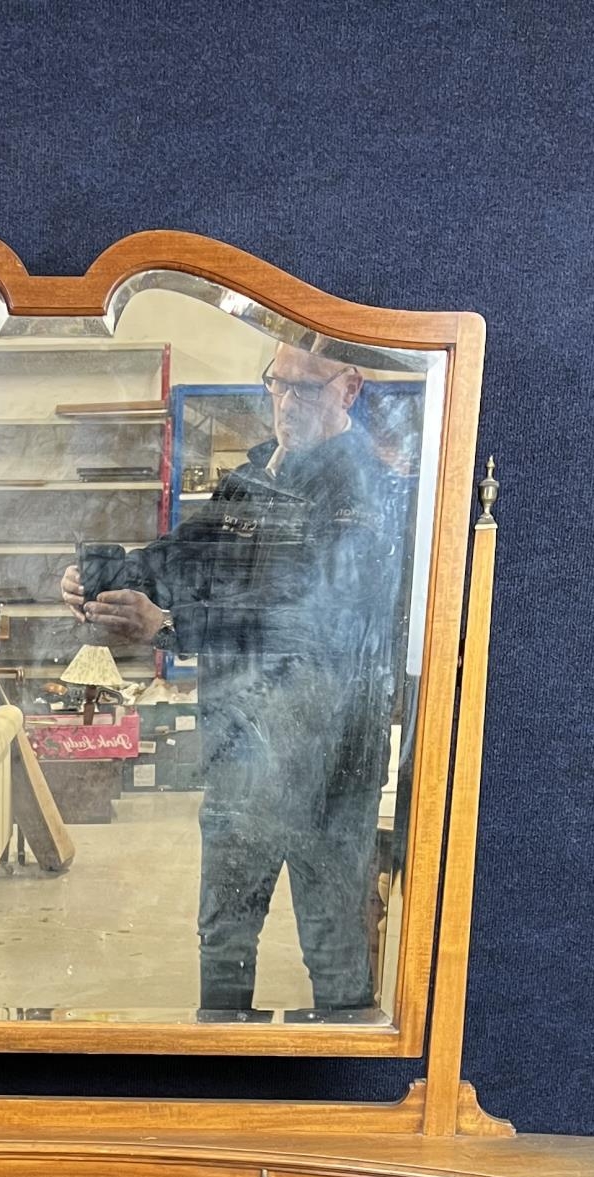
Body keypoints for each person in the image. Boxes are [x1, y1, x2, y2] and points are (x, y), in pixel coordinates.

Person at [63, 337, 403, 1015]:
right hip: (241, 749)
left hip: (331, 761)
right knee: (223, 933)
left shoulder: (365, 494)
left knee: (332, 936)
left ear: (349, 388)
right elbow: (186, 557)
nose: (285, 403)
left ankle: (342, 1087)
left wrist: (167, 625)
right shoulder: (252, 481)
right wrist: (109, 576)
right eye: (275, 384)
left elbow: (309, 619)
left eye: (303, 389)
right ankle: (221, 1069)